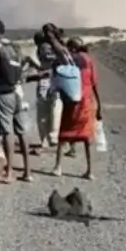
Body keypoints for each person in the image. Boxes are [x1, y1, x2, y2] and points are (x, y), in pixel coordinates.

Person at [0, 19, 32, 182]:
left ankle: (9, 172)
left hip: (3, 94)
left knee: (7, 133)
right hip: (18, 92)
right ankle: (27, 171)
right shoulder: (15, 47)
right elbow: (24, 64)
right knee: (22, 131)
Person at [51, 37, 102, 178]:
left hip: (72, 101)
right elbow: (94, 84)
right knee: (87, 137)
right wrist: (99, 105)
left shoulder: (69, 61)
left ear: (72, 48)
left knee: (63, 135)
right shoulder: (89, 61)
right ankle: (90, 171)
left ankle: (58, 167)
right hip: (87, 103)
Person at [24, 30, 61, 151]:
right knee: (54, 109)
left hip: (45, 81)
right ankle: (53, 138)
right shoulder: (54, 47)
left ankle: (45, 140)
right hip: (54, 80)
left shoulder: (43, 48)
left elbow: (45, 65)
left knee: (43, 113)